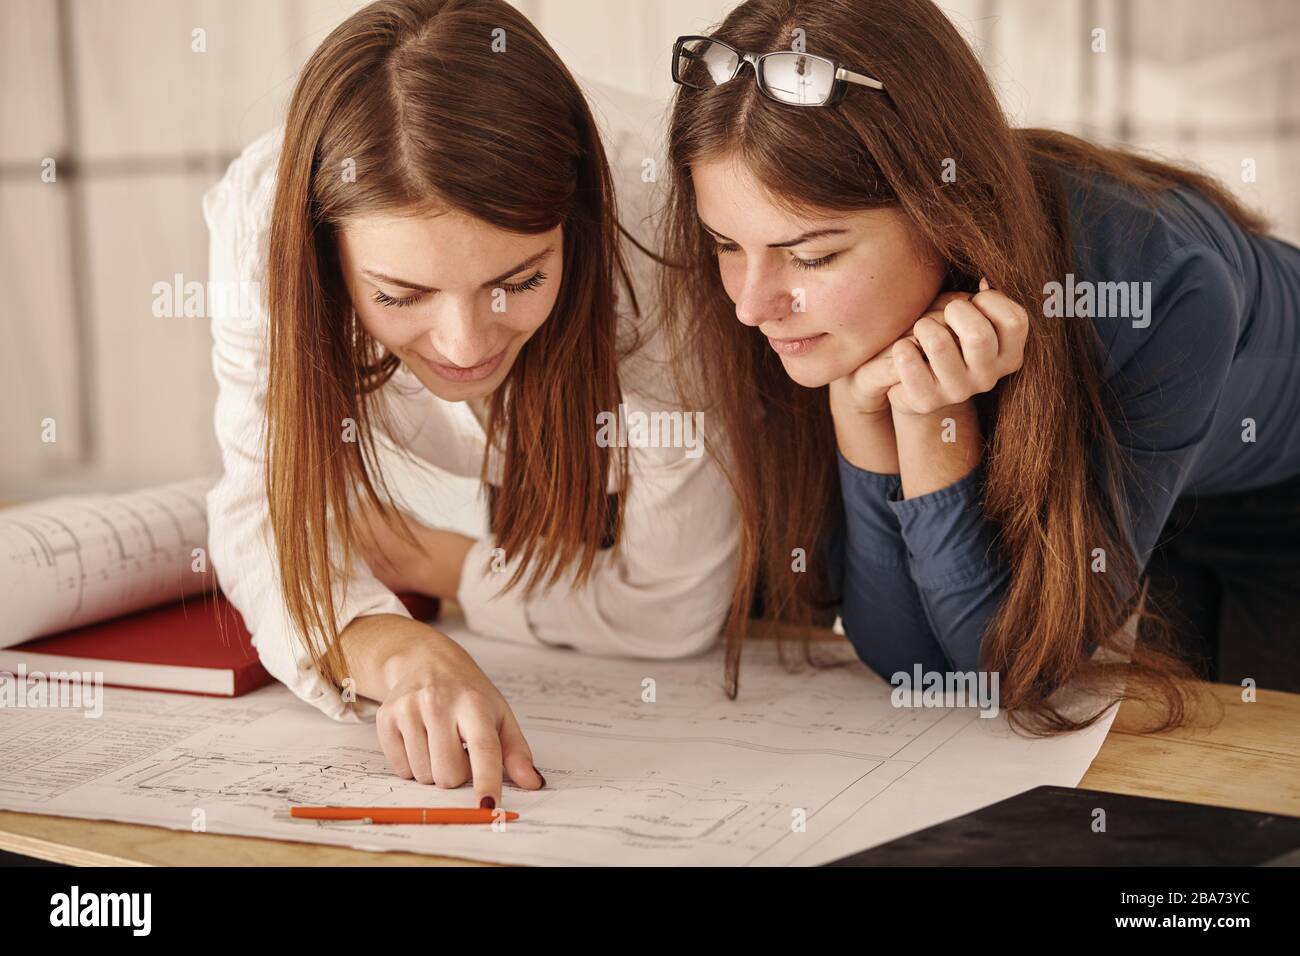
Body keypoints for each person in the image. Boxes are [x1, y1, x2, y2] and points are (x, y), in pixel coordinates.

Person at [657, 0, 1300, 733]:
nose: (750, 305)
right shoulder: (813, 320)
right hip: (1166, 490)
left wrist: (930, 418)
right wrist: (863, 413)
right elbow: (913, 669)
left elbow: (1013, 674)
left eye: (811, 256)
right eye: (725, 244)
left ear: (944, 210)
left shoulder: (1158, 285)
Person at [204, 0, 738, 808]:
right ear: (326, 255)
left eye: (519, 281)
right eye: (399, 294)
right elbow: (263, 516)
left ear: (577, 230)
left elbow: (672, 605)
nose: (463, 347)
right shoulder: (261, 220)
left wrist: (459, 570)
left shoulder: (656, 222)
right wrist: (396, 653)